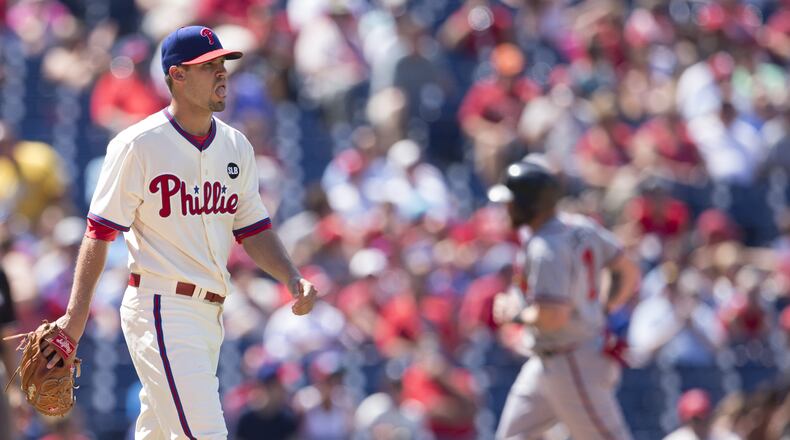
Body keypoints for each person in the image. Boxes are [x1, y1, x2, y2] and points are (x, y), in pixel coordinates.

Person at [42, 25, 317, 440]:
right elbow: (98, 234)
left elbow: (254, 228)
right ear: (177, 75)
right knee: (205, 434)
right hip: (161, 307)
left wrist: (291, 277)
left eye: (223, 64)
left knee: (160, 434)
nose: (222, 73)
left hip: (210, 313)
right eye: (208, 66)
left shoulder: (236, 146)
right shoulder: (138, 144)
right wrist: (75, 319)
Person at [489, 157, 641, 440]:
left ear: (529, 204)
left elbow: (554, 315)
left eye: (511, 202)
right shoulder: (579, 226)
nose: (505, 208)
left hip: (571, 359)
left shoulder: (546, 247)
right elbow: (627, 270)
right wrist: (605, 308)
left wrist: (515, 314)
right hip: (550, 359)